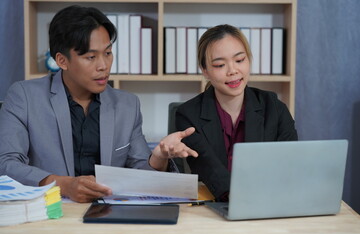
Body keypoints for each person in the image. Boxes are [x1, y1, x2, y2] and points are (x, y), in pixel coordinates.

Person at [0, 5, 197, 203]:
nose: (103, 65)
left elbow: (142, 174)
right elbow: (6, 164)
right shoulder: (24, 96)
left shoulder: (127, 105)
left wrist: (160, 156)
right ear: (62, 60)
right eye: (91, 57)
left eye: (108, 53)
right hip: (52, 211)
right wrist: (63, 185)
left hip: (108, 214)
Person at [175, 24, 298, 201]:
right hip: (216, 206)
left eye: (239, 60)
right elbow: (208, 168)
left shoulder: (275, 108)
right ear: (205, 71)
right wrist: (241, 199)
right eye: (219, 65)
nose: (233, 70)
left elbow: (290, 164)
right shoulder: (188, 115)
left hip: (269, 202)